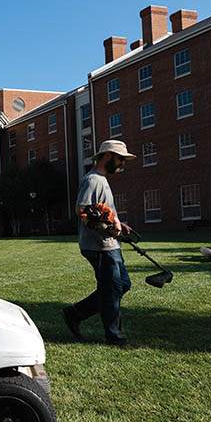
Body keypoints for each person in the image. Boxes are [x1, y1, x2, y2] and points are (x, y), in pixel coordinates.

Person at [62, 140, 140, 349]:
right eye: (120, 159)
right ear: (107, 156)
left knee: (121, 285)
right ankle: (116, 339)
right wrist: (108, 229)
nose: (122, 163)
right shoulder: (93, 180)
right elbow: (83, 211)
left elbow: (102, 212)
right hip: (100, 247)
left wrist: (118, 224)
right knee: (112, 290)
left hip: (109, 244)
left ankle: (75, 313)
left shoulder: (101, 180)